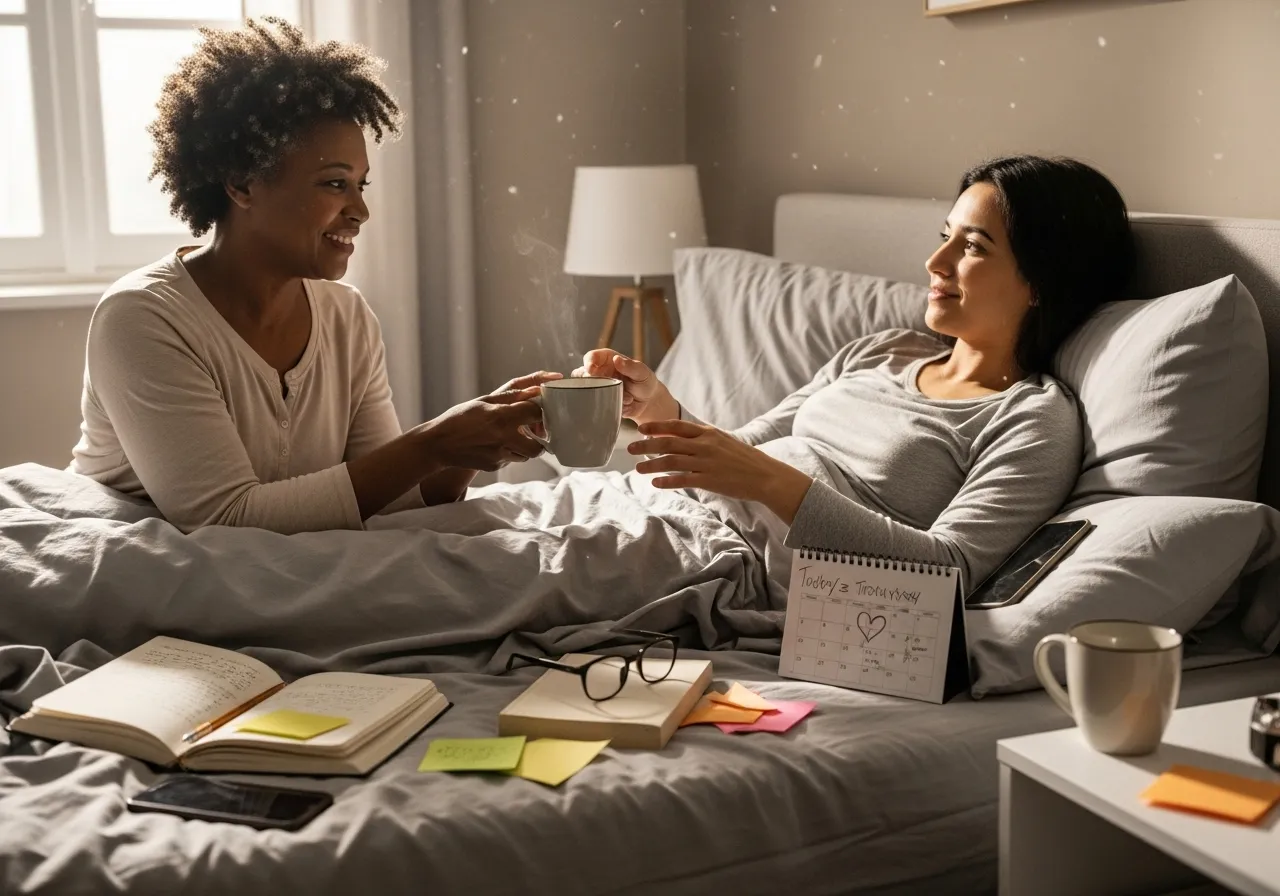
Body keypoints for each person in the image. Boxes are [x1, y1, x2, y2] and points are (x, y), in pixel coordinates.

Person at [69, 18, 553, 536]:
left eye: (361, 185)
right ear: (242, 183)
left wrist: (475, 443)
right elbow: (224, 520)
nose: (361, 211)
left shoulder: (348, 319)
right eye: (334, 184)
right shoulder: (142, 319)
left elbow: (387, 506)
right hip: (136, 572)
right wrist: (433, 442)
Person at [576, 155, 1136, 590]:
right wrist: (661, 408)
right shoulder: (883, 351)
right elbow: (741, 453)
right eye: (945, 236)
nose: (935, 263)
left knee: (501, 570)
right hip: (653, 504)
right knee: (493, 510)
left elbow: (950, 568)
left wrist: (774, 483)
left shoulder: (1033, 418)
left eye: (972, 247)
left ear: (1042, 281)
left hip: (720, 557)